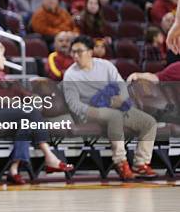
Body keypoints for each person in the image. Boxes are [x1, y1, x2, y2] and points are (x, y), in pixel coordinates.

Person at [0, 39, 73, 184]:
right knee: (30, 112)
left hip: (4, 114)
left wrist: (32, 97)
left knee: (26, 123)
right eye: (2, 55)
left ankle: (14, 169)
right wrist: (8, 101)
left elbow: (20, 92)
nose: (4, 59)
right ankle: (49, 155)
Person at [63, 35, 157, 180]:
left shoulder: (105, 66)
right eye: (73, 52)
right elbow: (73, 103)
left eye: (79, 51)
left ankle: (141, 164)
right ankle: (120, 162)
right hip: (90, 111)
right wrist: (90, 111)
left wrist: (122, 99)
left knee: (149, 122)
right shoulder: (70, 75)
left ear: (90, 52)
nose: (75, 55)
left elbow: (121, 85)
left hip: (115, 107)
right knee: (114, 116)